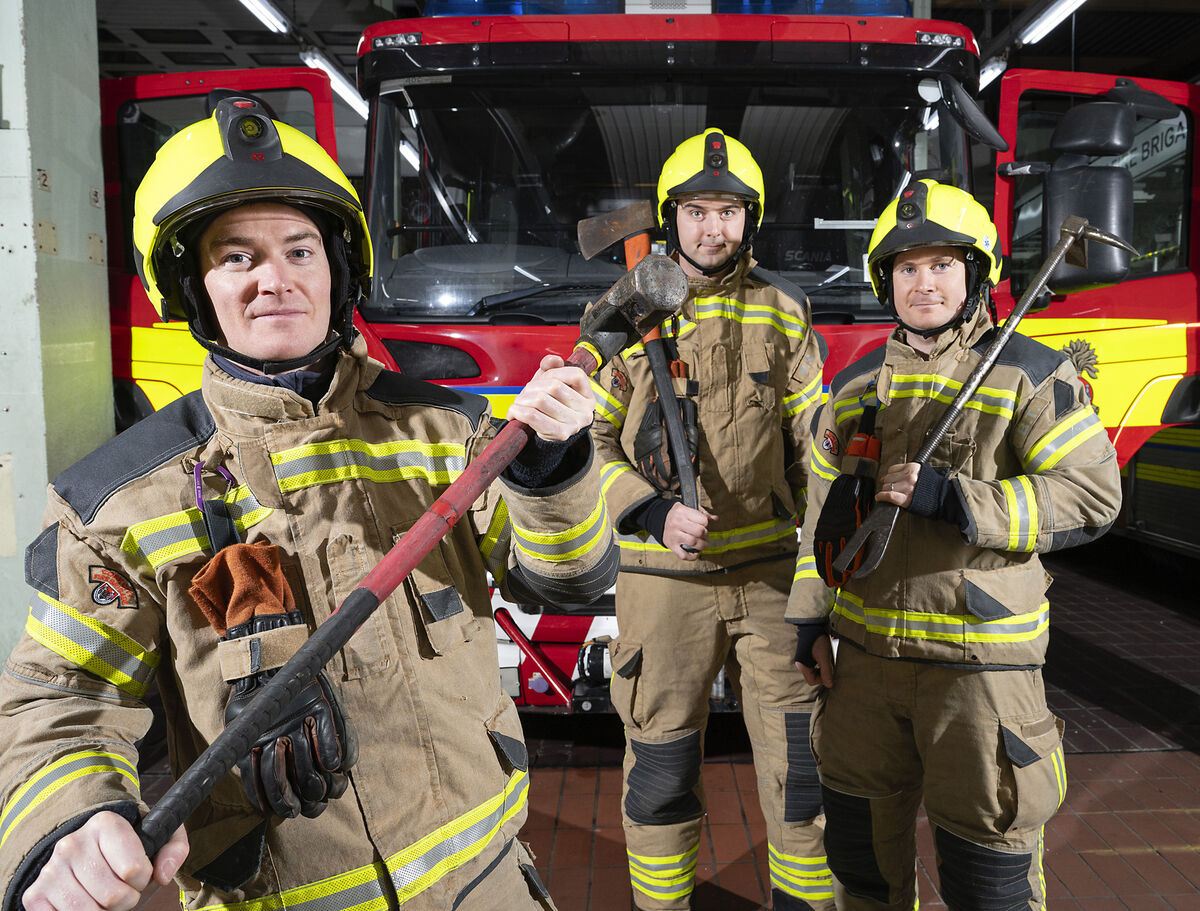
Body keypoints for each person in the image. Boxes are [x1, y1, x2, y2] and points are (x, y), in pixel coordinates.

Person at [0, 97, 617, 911]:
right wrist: (69, 820)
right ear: (192, 286)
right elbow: (62, 698)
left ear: (337, 268)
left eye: (299, 248)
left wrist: (551, 467)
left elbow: (565, 580)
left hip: (489, 883)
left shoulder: (444, 431)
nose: (274, 279)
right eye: (235, 257)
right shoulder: (118, 502)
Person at [788, 179, 1123, 909]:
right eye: (907, 268)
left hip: (979, 677)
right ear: (887, 283)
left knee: (988, 878)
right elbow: (820, 516)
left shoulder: (1029, 374)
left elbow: (1093, 497)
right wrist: (808, 621)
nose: (924, 283)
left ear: (976, 275)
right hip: (864, 671)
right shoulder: (850, 390)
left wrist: (961, 500)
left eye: (942, 264)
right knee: (860, 865)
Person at [589, 129, 833, 911]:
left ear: (748, 220)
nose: (712, 229)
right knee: (660, 772)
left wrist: (815, 592)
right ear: (670, 220)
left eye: (727, 211)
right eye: (696, 211)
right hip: (664, 583)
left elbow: (815, 460)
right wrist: (652, 510)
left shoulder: (784, 311)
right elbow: (583, 445)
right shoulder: (621, 313)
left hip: (768, 575)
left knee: (803, 772)